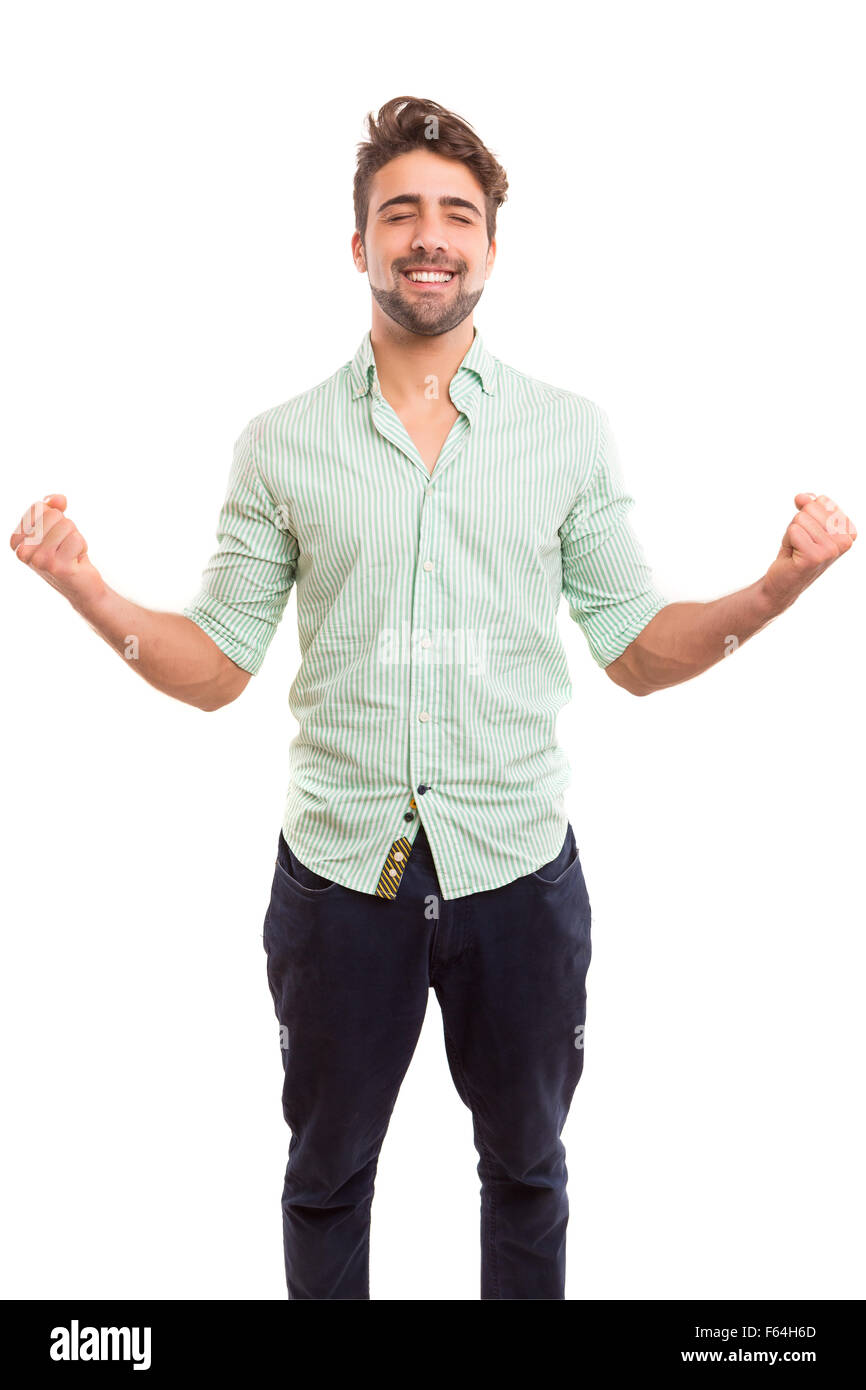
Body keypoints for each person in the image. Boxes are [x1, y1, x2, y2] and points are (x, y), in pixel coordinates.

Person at [9, 96, 857, 1301]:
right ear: (356, 245)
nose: (427, 235)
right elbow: (214, 666)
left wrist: (774, 587)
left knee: (526, 1168)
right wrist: (82, 585)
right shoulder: (281, 445)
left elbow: (632, 646)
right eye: (398, 211)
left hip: (517, 875)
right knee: (325, 1173)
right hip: (339, 880)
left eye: (456, 213)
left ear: (491, 249)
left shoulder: (566, 435)